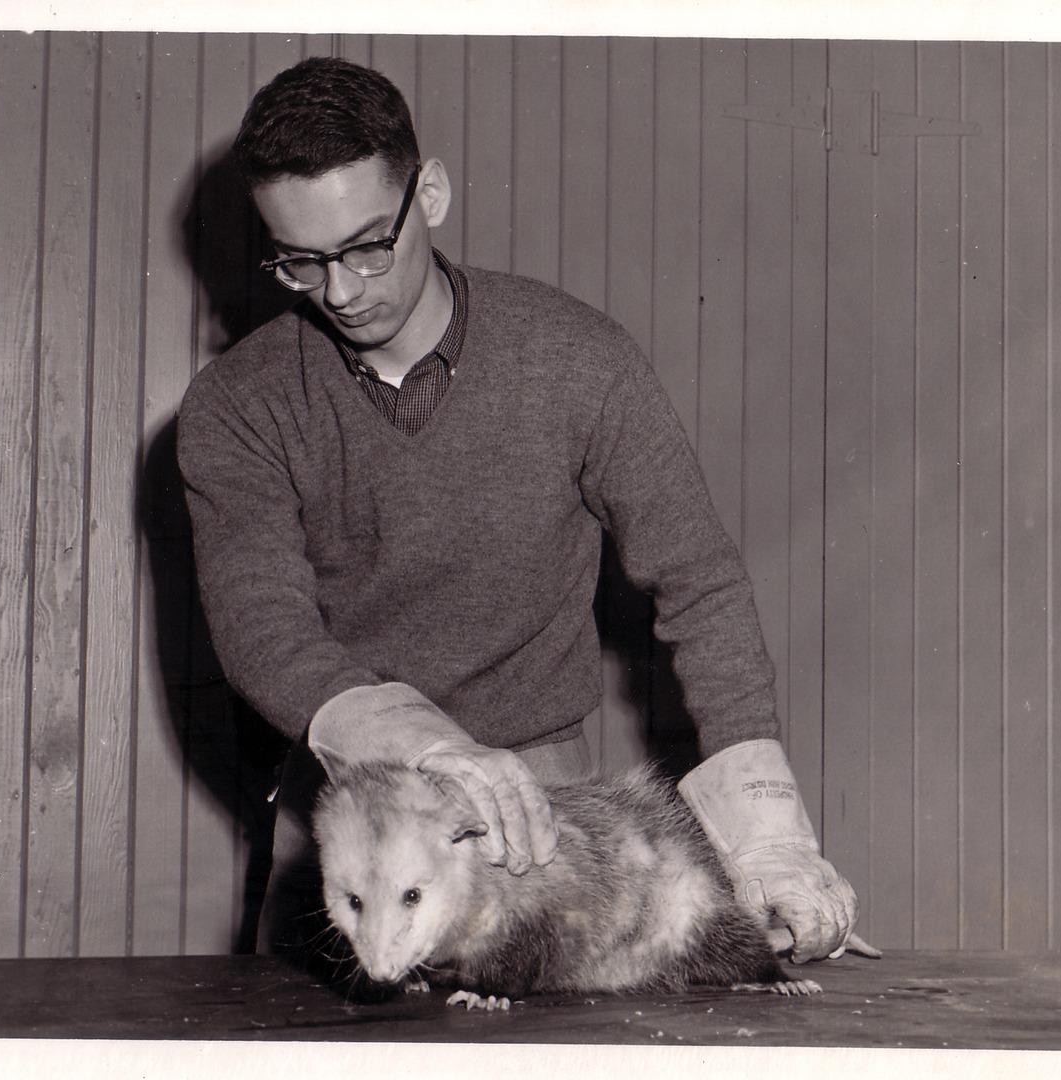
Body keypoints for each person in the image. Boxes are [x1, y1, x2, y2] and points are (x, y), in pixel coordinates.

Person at [177, 56, 874, 967]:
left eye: (363, 248)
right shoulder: (238, 403)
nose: (340, 292)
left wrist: (767, 835)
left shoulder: (579, 360)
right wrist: (427, 748)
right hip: (356, 819)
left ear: (429, 194)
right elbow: (262, 627)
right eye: (300, 263)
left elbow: (700, 587)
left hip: (551, 820)